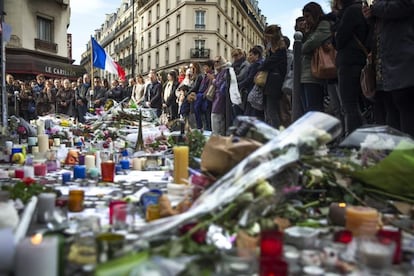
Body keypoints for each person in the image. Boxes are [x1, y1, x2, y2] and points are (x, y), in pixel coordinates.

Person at [363, 0, 414, 137]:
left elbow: (403, 6)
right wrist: (371, 17)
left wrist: (374, 7)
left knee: (405, 108)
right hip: (387, 65)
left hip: (403, 60)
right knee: (391, 107)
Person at [335, 0, 369, 136]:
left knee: (349, 106)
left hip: (349, 63)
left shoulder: (350, 11)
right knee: (360, 105)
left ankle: (354, 143)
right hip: (360, 60)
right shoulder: (361, 9)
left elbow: (338, 40)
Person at [300, 2, 332, 113]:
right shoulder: (312, 30)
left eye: (307, 17)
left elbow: (307, 46)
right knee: (307, 112)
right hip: (305, 75)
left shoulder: (324, 25)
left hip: (314, 75)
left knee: (314, 110)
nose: (306, 21)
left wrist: (307, 34)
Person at [259, 24, 287, 128]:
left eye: (267, 37)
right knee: (268, 112)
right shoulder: (272, 50)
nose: (266, 39)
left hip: (274, 84)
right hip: (270, 84)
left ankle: (275, 135)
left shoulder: (280, 50)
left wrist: (265, 64)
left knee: (272, 112)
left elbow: (265, 64)